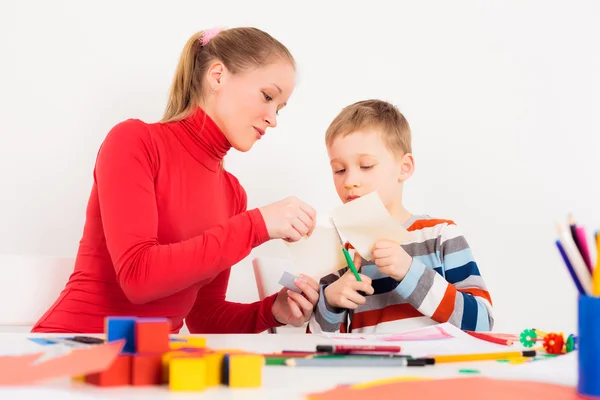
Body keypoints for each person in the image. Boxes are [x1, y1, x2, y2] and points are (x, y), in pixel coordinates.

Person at [31, 27, 321, 334]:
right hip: (70, 348)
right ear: (218, 76)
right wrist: (255, 226)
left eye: (279, 108)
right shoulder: (134, 142)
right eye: (267, 96)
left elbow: (203, 316)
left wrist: (272, 311)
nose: (272, 118)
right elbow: (138, 278)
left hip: (146, 364)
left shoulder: (232, 193)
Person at [308, 99, 494, 334]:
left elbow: (482, 323)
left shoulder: (441, 235)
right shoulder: (342, 253)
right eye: (339, 170)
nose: (349, 181)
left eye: (366, 166)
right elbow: (318, 349)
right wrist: (330, 301)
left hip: (437, 370)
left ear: (404, 168)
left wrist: (410, 272)